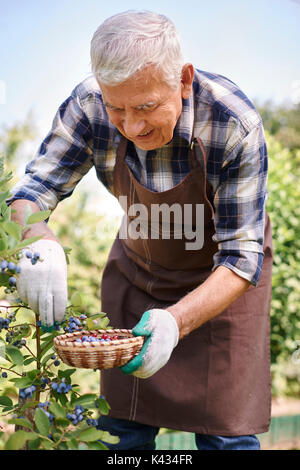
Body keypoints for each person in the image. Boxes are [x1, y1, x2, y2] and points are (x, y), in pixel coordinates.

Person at [8, 10, 273, 450]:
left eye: (146, 107)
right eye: (117, 109)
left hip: (222, 292)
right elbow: (32, 191)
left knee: (227, 440)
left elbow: (242, 256)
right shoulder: (88, 105)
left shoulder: (232, 123)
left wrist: (176, 322)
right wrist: (37, 241)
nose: (131, 127)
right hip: (138, 284)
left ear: (183, 80)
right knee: (121, 436)